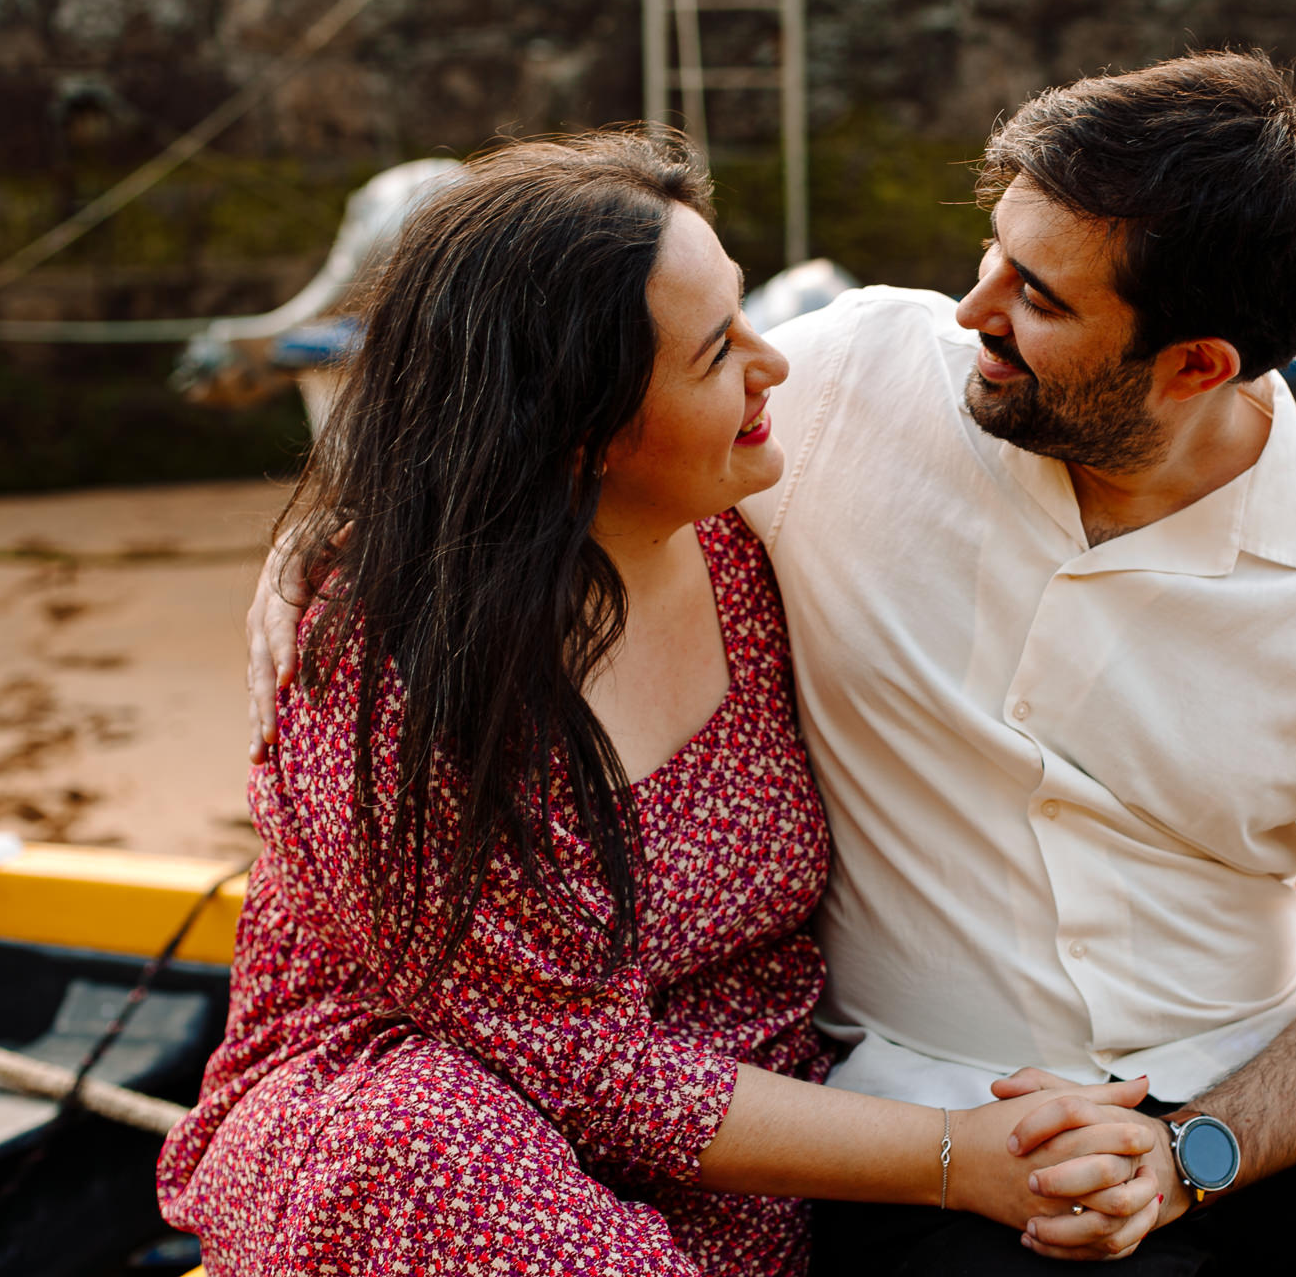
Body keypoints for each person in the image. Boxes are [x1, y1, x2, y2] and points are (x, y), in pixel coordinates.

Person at [247, 58, 1296, 1277]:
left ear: (1196, 365)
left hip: (1244, 1081)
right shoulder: (859, 384)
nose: (970, 315)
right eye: (992, 256)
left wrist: (1196, 1150)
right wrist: (331, 547)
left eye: (1039, 301)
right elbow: (529, 420)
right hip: (933, 1102)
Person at [162, 132, 1176, 1277]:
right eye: (715, 353)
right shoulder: (391, 672)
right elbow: (581, 1062)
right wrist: (956, 1155)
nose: (773, 365)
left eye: (746, 311)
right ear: (575, 426)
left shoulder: (759, 535)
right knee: (422, 1137)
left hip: (742, 1145)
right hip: (423, 1129)